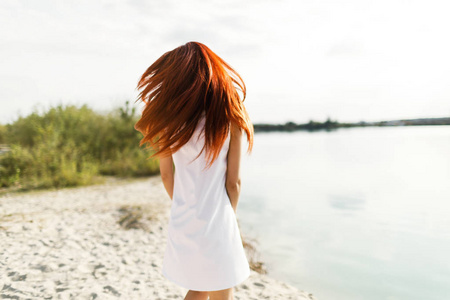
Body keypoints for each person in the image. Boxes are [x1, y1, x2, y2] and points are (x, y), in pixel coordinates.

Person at [134, 41, 254, 300]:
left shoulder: (170, 124)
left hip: (184, 217)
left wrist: (185, 206)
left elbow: (167, 176)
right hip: (219, 216)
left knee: (206, 285)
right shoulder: (230, 117)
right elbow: (234, 183)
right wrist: (226, 216)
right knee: (218, 286)